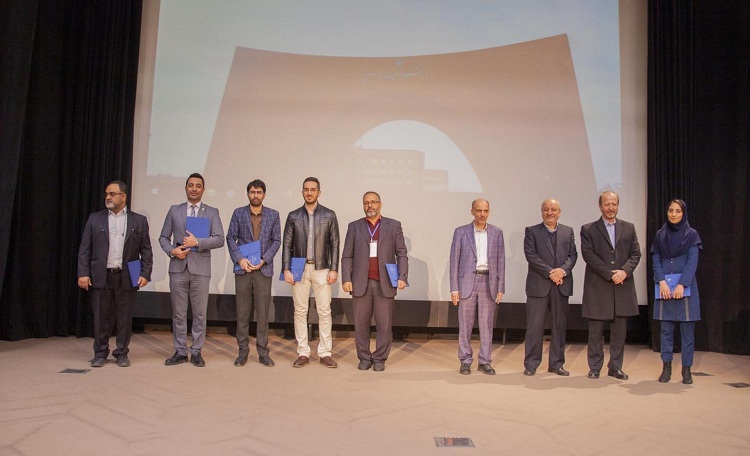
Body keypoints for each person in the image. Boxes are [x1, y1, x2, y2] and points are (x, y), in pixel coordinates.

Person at [77, 180, 153, 368]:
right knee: (101, 317)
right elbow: (85, 249)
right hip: (101, 275)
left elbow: (146, 250)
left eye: (112, 194)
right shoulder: (95, 219)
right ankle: (100, 353)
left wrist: (145, 273)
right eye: (106, 194)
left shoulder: (139, 220)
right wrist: (83, 273)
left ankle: (121, 353)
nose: (108, 197)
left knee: (124, 317)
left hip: (127, 275)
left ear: (123, 196)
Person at [158, 173, 224, 367]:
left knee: (199, 314)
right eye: (191, 185)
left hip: (201, 269)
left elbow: (219, 239)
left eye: (198, 186)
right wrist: (172, 251)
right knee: (178, 313)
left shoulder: (212, 212)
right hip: (178, 268)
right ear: (186, 188)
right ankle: (180, 351)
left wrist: (198, 242)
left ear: (203, 189)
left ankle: (196, 351)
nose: (194, 188)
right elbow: (163, 237)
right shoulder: (174, 210)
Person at [341, 191, 408, 372]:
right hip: (360, 284)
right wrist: (346, 278)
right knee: (360, 325)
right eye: (366, 203)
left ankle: (379, 358)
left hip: (384, 283)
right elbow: (347, 255)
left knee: (384, 325)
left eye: (373, 202)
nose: (369, 205)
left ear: (380, 204)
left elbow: (401, 253)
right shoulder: (354, 227)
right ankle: (364, 357)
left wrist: (402, 277)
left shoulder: (393, 226)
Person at [580, 191, 641, 380]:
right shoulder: (588, 229)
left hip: (622, 286)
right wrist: (610, 274)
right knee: (595, 332)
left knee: (619, 332)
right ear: (600, 206)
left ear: (618, 206)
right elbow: (588, 255)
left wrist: (624, 272)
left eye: (614, 204)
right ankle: (595, 367)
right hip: (598, 287)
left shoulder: (629, 228)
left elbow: (635, 254)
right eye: (607, 204)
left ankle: (615, 367)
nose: (610, 208)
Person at [282, 177, 340, 368]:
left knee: (324, 311)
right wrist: (286, 269)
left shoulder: (329, 215)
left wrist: (334, 269)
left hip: (322, 268)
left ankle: (325, 352)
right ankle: (303, 352)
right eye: (306, 189)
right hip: (299, 268)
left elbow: (335, 243)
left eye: (313, 189)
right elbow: (287, 244)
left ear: (319, 192)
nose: (309, 193)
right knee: (300, 311)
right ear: (302, 192)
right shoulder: (293, 216)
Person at [226, 179, 281, 367]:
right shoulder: (238, 213)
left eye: (259, 192)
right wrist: (240, 259)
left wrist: (264, 259)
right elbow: (230, 238)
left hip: (263, 269)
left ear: (264, 194)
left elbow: (276, 241)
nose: (255, 195)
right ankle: (243, 351)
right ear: (247, 194)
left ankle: (263, 352)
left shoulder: (273, 215)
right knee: (242, 313)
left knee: (263, 314)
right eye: (252, 192)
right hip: (243, 269)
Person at [449, 199, 505, 375]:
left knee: (486, 325)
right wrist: (454, 288)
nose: (482, 214)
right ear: (472, 211)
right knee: (465, 324)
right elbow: (454, 260)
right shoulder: (461, 232)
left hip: (488, 282)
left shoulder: (497, 232)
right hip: (467, 283)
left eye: (485, 211)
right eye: (479, 210)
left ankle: (485, 361)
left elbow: (501, 261)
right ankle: (465, 360)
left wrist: (501, 287)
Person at [523, 199, 578, 376]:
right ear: (542, 212)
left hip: (561, 285)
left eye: (553, 209)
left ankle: (556, 364)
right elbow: (531, 255)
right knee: (534, 327)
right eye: (546, 209)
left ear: (559, 212)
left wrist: (562, 271)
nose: (550, 213)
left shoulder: (568, 231)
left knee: (559, 327)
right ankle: (531, 364)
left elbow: (573, 255)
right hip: (538, 286)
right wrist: (550, 273)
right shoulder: (531, 231)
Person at [652, 199, 702, 384]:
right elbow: (656, 260)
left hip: (685, 288)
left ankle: (686, 370)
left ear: (683, 213)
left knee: (687, 333)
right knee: (665, 331)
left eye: (678, 211)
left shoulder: (692, 235)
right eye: (671, 211)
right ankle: (666, 368)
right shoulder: (660, 235)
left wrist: (682, 284)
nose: (673, 214)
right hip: (664, 288)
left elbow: (692, 262)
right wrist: (662, 282)